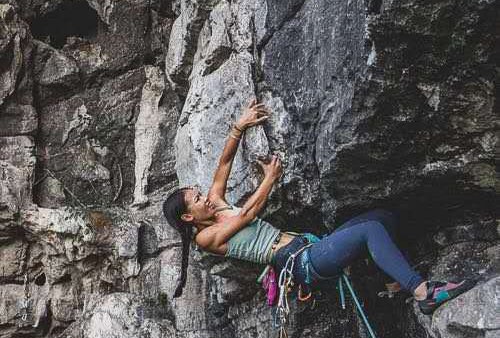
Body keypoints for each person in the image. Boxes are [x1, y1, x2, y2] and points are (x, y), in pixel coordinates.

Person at [163, 99, 476, 315]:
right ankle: (423, 293)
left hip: (308, 246)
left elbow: (224, 162)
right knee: (368, 231)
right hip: (301, 264)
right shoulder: (207, 239)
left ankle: (392, 283)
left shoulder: (216, 204)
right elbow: (247, 214)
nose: (205, 197)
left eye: (201, 193)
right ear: (189, 216)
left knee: (382, 217)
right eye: (197, 199)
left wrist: (239, 127)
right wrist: (269, 179)